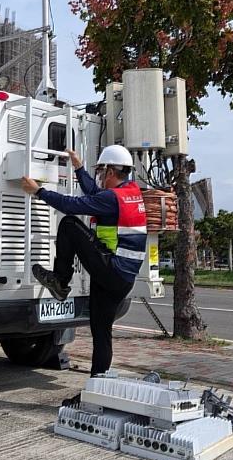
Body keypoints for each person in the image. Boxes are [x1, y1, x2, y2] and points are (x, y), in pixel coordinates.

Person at [20, 144, 147, 406]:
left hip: (112, 270)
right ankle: (95, 394)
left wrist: (39, 191)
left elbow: (74, 204)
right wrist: (78, 167)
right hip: (120, 280)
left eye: (101, 171)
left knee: (68, 224)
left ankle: (60, 281)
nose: (99, 176)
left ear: (111, 170)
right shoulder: (128, 194)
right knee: (101, 333)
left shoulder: (111, 199)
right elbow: (94, 193)